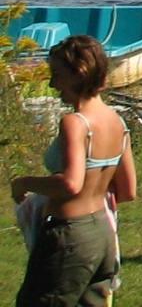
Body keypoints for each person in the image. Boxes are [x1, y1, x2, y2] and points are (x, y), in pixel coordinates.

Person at [12, 34, 135, 307]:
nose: (52, 83)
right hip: (102, 234)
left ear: (79, 74)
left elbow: (70, 184)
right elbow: (128, 190)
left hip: (69, 235)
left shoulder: (75, 123)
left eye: (57, 74)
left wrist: (24, 183)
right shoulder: (117, 122)